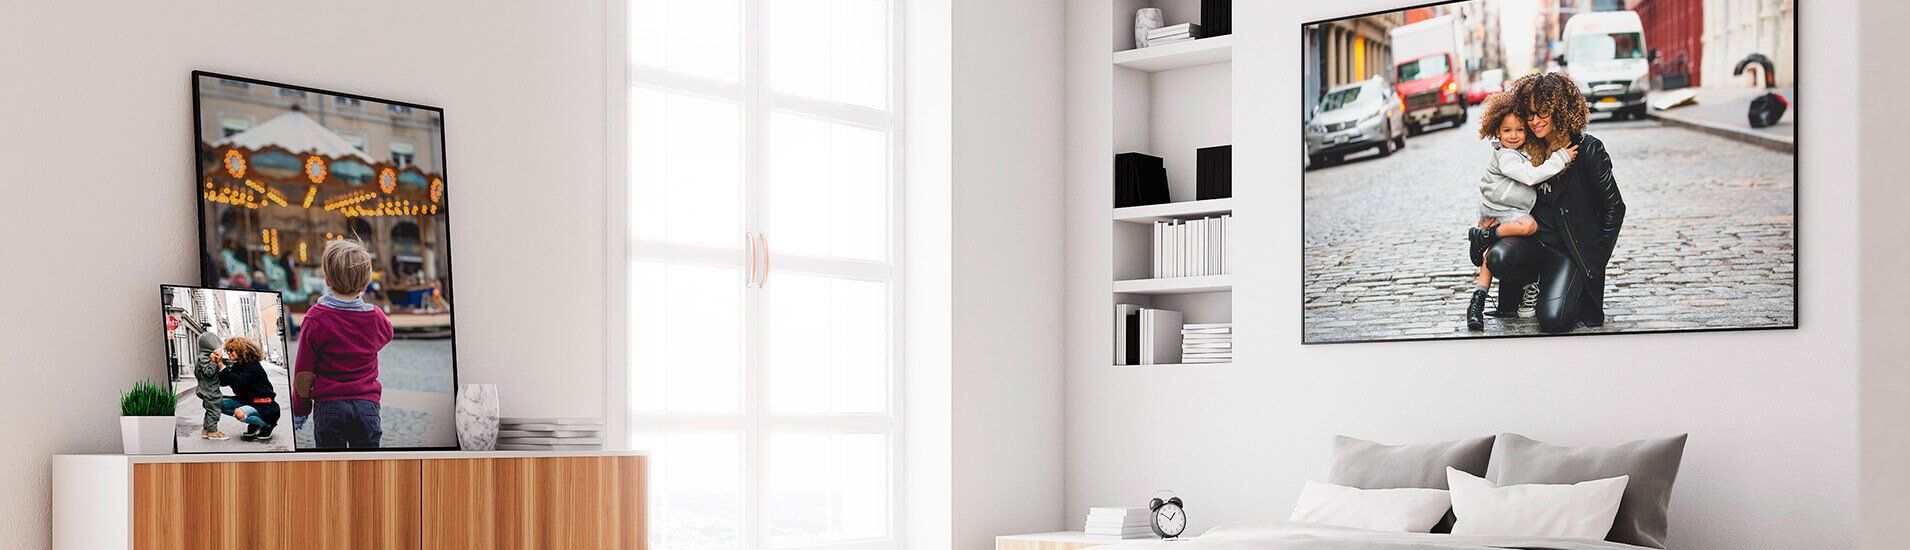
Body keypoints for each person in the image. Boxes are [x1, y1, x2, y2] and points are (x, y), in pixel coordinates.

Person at [1483, 73, 1627, 333]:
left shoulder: (1587, 150)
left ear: (1560, 109)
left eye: (1543, 112)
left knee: (1552, 320)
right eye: (1530, 114)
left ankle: (1568, 287)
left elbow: (1615, 208)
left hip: (1569, 252)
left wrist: (1594, 260)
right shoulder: (1528, 149)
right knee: (1499, 257)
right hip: (1535, 243)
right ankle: (1533, 284)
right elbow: (1504, 185)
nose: (1535, 121)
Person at [1465, 92, 1577, 331]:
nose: (1513, 135)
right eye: (1507, 131)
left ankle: (1477, 300)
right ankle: (1486, 236)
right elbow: (1530, 176)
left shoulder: (1520, 152)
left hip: (1504, 210)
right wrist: (1561, 157)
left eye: (1519, 130)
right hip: (1503, 210)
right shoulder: (1505, 156)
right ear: (1497, 132)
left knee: (1489, 256)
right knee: (1529, 226)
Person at [291, 239, 394, 448]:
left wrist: (300, 410)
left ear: (327, 280)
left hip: (329, 407)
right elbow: (387, 334)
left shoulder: (315, 318)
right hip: (367, 406)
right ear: (365, 284)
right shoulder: (375, 317)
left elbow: (304, 372)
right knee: (368, 469)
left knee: (331, 470)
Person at [216, 337, 281, 441]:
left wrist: (221, 365)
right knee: (217, 403)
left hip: (264, 405)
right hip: (247, 401)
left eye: (231, 350)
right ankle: (254, 423)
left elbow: (237, 381)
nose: (229, 353)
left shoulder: (252, 366)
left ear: (241, 350)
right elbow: (224, 382)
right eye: (228, 350)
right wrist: (217, 365)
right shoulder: (238, 365)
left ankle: (267, 424)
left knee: (239, 413)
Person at [192, 328, 227, 441]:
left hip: (208, 388)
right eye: (215, 345)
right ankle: (213, 432)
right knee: (214, 410)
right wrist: (213, 361)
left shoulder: (204, 356)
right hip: (210, 389)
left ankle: (206, 430)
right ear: (209, 345)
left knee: (209, 409)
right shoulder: (205, 357)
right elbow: (208, 372)